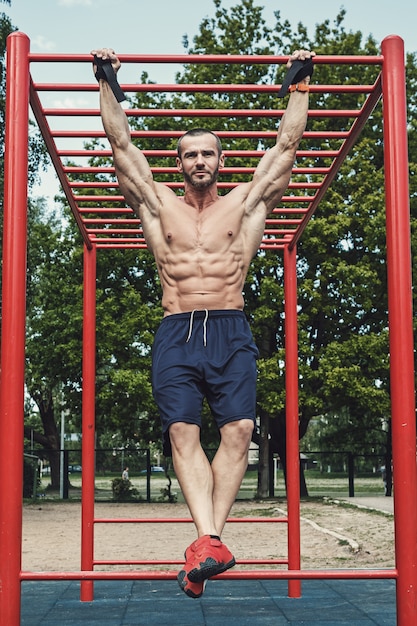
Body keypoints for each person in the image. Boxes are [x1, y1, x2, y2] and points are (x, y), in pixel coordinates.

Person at [91, 47, 314, 598]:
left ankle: (205, 546)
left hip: (231, 327)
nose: (198, 162)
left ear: (220, 161)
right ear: (179, 163)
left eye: (207, 154)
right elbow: (122, 148)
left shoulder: (246, 204)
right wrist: (106, 81)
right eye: (189, 154)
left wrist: (301, 83)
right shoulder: (156, 204)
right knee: (182, 432)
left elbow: (285, 149)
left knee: (239, 432)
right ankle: (209, 540)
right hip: (176, 329)